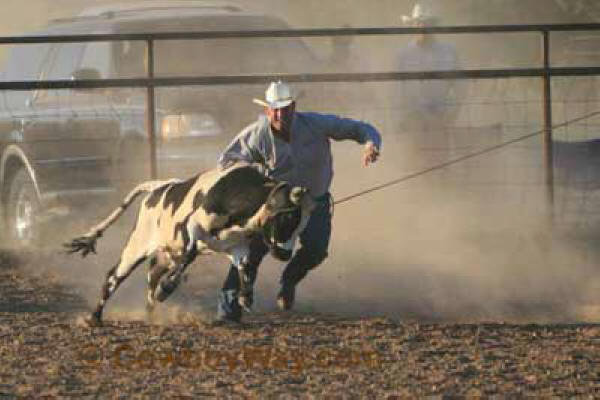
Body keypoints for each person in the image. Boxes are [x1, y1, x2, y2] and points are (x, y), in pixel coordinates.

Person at [215, 81, 382, 323]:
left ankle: (289, 280)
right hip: (275, 205)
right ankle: (228, 310)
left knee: (316, 249)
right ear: (267, 111)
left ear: (294, 107)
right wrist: (251, 180)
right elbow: (227, 161)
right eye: (275, 109)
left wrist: (370, 144)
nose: (280, 114)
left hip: (313, 201)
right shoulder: (257, 134)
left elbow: (359, 128)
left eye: (285, 108)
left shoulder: (315, 124)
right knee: (250, 252)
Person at [396, 2, 464, 133]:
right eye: (418, 23)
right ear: (413, 25)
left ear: (433, 25)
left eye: (427, 23)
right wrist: (409, 119)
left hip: (444, 118)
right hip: (413, 122)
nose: (423, 27)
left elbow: (460, 87)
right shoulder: (403, 55)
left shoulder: (449, 52)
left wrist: (450, 115)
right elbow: (397, 93)